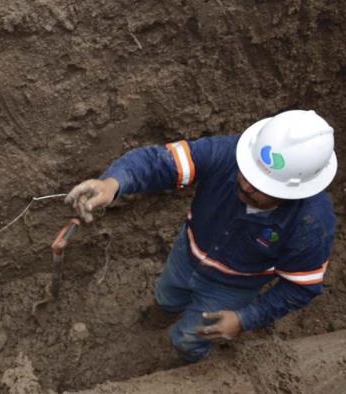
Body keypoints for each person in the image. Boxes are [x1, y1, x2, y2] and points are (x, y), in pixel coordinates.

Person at [65, 109, 337, 362]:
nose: (246, 184)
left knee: (190, 338)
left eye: (262, 186)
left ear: (295, 191)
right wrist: (113, 182)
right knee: (166, 295)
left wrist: (244, 319)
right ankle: (159, 316)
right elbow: (160, 163)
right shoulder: (230, 153)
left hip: (232, 288)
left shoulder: (311, 223)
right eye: (247, 173)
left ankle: (182, 365)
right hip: (187, 254)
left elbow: (301, 287)